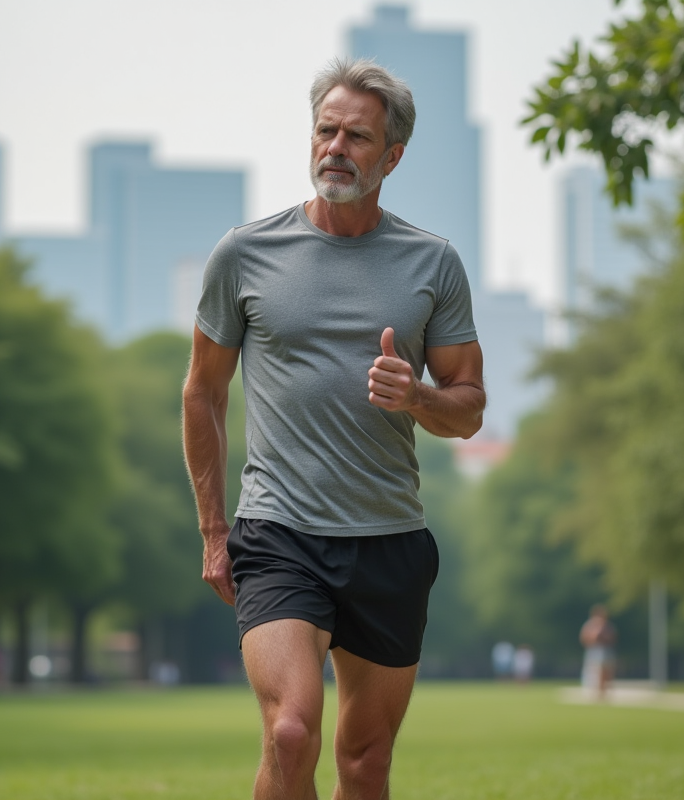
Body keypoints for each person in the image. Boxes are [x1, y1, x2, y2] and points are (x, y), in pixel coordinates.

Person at [183, 57, 485, 800]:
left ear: (392, 155)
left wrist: (416, 397)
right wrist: (214, 530)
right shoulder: (245, 253)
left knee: (365, 760)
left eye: (357, 136)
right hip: (279, 532)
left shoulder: (433, 262)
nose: (336, 148)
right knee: (290, 733)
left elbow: (470, 405)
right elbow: (203, 393)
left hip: (389, 538)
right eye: (326, 130)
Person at [579, 604, 617, 700]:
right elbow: (585, 638)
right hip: (594, 650)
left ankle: (604, 691)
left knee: (607, 671)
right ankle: (597, 692)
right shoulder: (589, 625)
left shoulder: (608, 626)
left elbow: (612, 638)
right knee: (595, 671)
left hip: (606, 650)